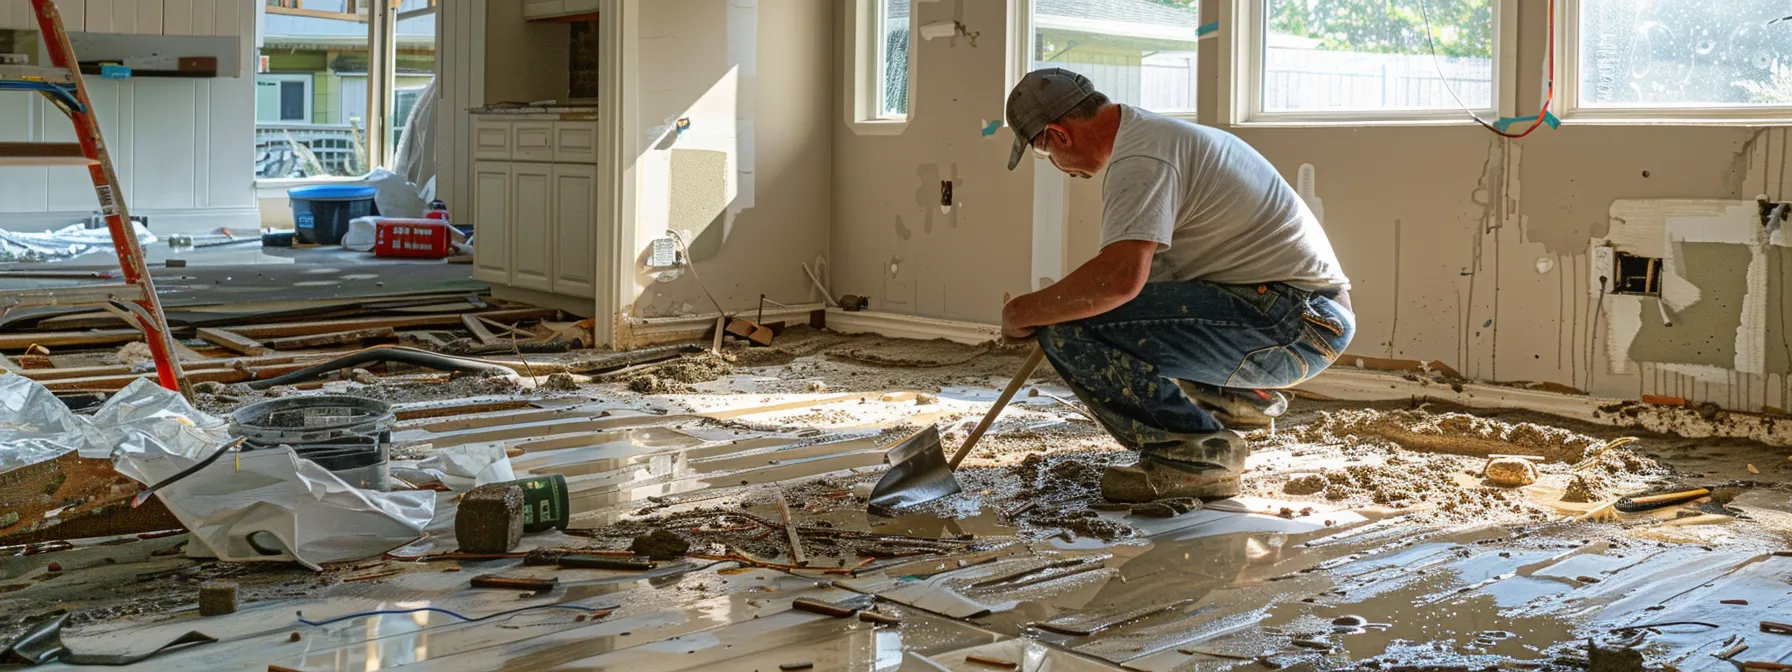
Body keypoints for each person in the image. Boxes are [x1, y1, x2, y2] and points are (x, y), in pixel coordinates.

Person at [1000, 68, 1355, 503]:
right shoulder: (1152, 137)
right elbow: (1139, 285)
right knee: (1108, 315)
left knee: (1069, 328)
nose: (1054, 165)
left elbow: (1118, 280)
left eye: (1042, 152)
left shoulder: (1142, 160)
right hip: (1303, 316)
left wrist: (1026, 312)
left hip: (1291, 325)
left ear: (1058, 134)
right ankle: (1241, 403)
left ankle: (1195, 457)